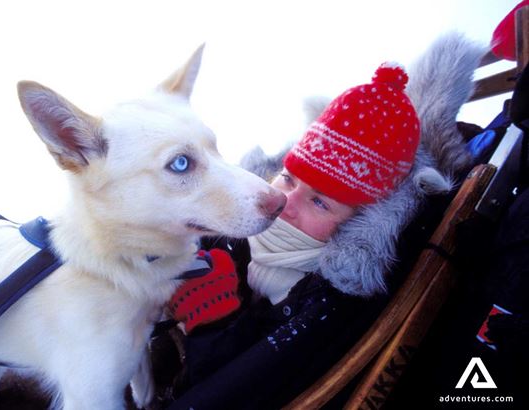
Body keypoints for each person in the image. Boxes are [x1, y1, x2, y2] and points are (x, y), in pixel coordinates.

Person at [147, 62, 422, 410]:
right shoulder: (236, 235)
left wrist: (212, 325)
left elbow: (226, 395)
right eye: (288, 179)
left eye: (320, 202)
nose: (283, 203)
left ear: (360, 223)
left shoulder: (324, 307)